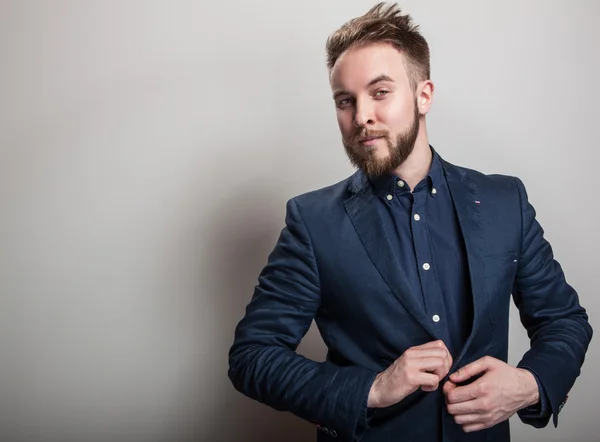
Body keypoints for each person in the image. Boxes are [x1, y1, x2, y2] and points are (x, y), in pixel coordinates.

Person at [227, 3, 593, 441]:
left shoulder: (504, 200)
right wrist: (373, 388)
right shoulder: (313, 222)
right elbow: (252, 356)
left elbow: (564, 319)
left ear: (424, 95)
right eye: (346, 100)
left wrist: (529, 385)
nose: (361, 115)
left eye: (380, 92)